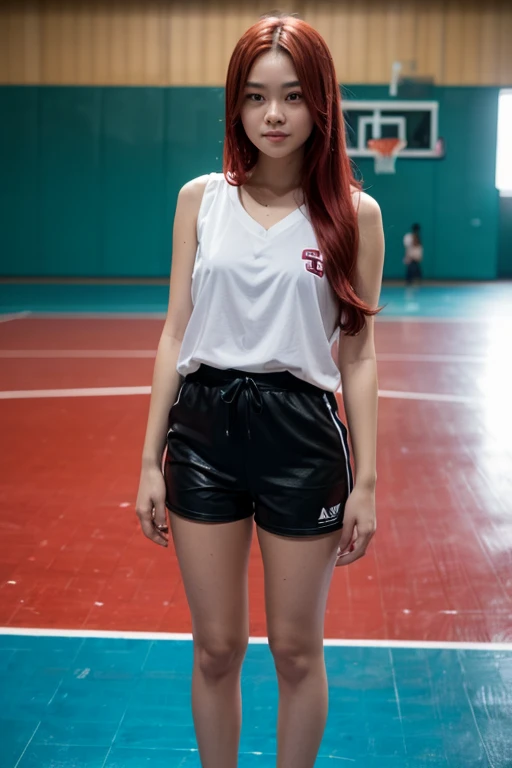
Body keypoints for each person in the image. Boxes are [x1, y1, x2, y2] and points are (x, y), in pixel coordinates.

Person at [135, 12, 384, 768]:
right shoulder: (199, 200)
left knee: (295, 650)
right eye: (254, 97)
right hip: (204, 429)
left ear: (322, 104)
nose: (273, 114)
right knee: (215, 648)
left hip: (302, 435)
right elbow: (176, 332)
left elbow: (360, 354)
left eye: (292, 96)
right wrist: (150, 460)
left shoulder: (354, 214)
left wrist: (367, 482)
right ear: (236, 107)